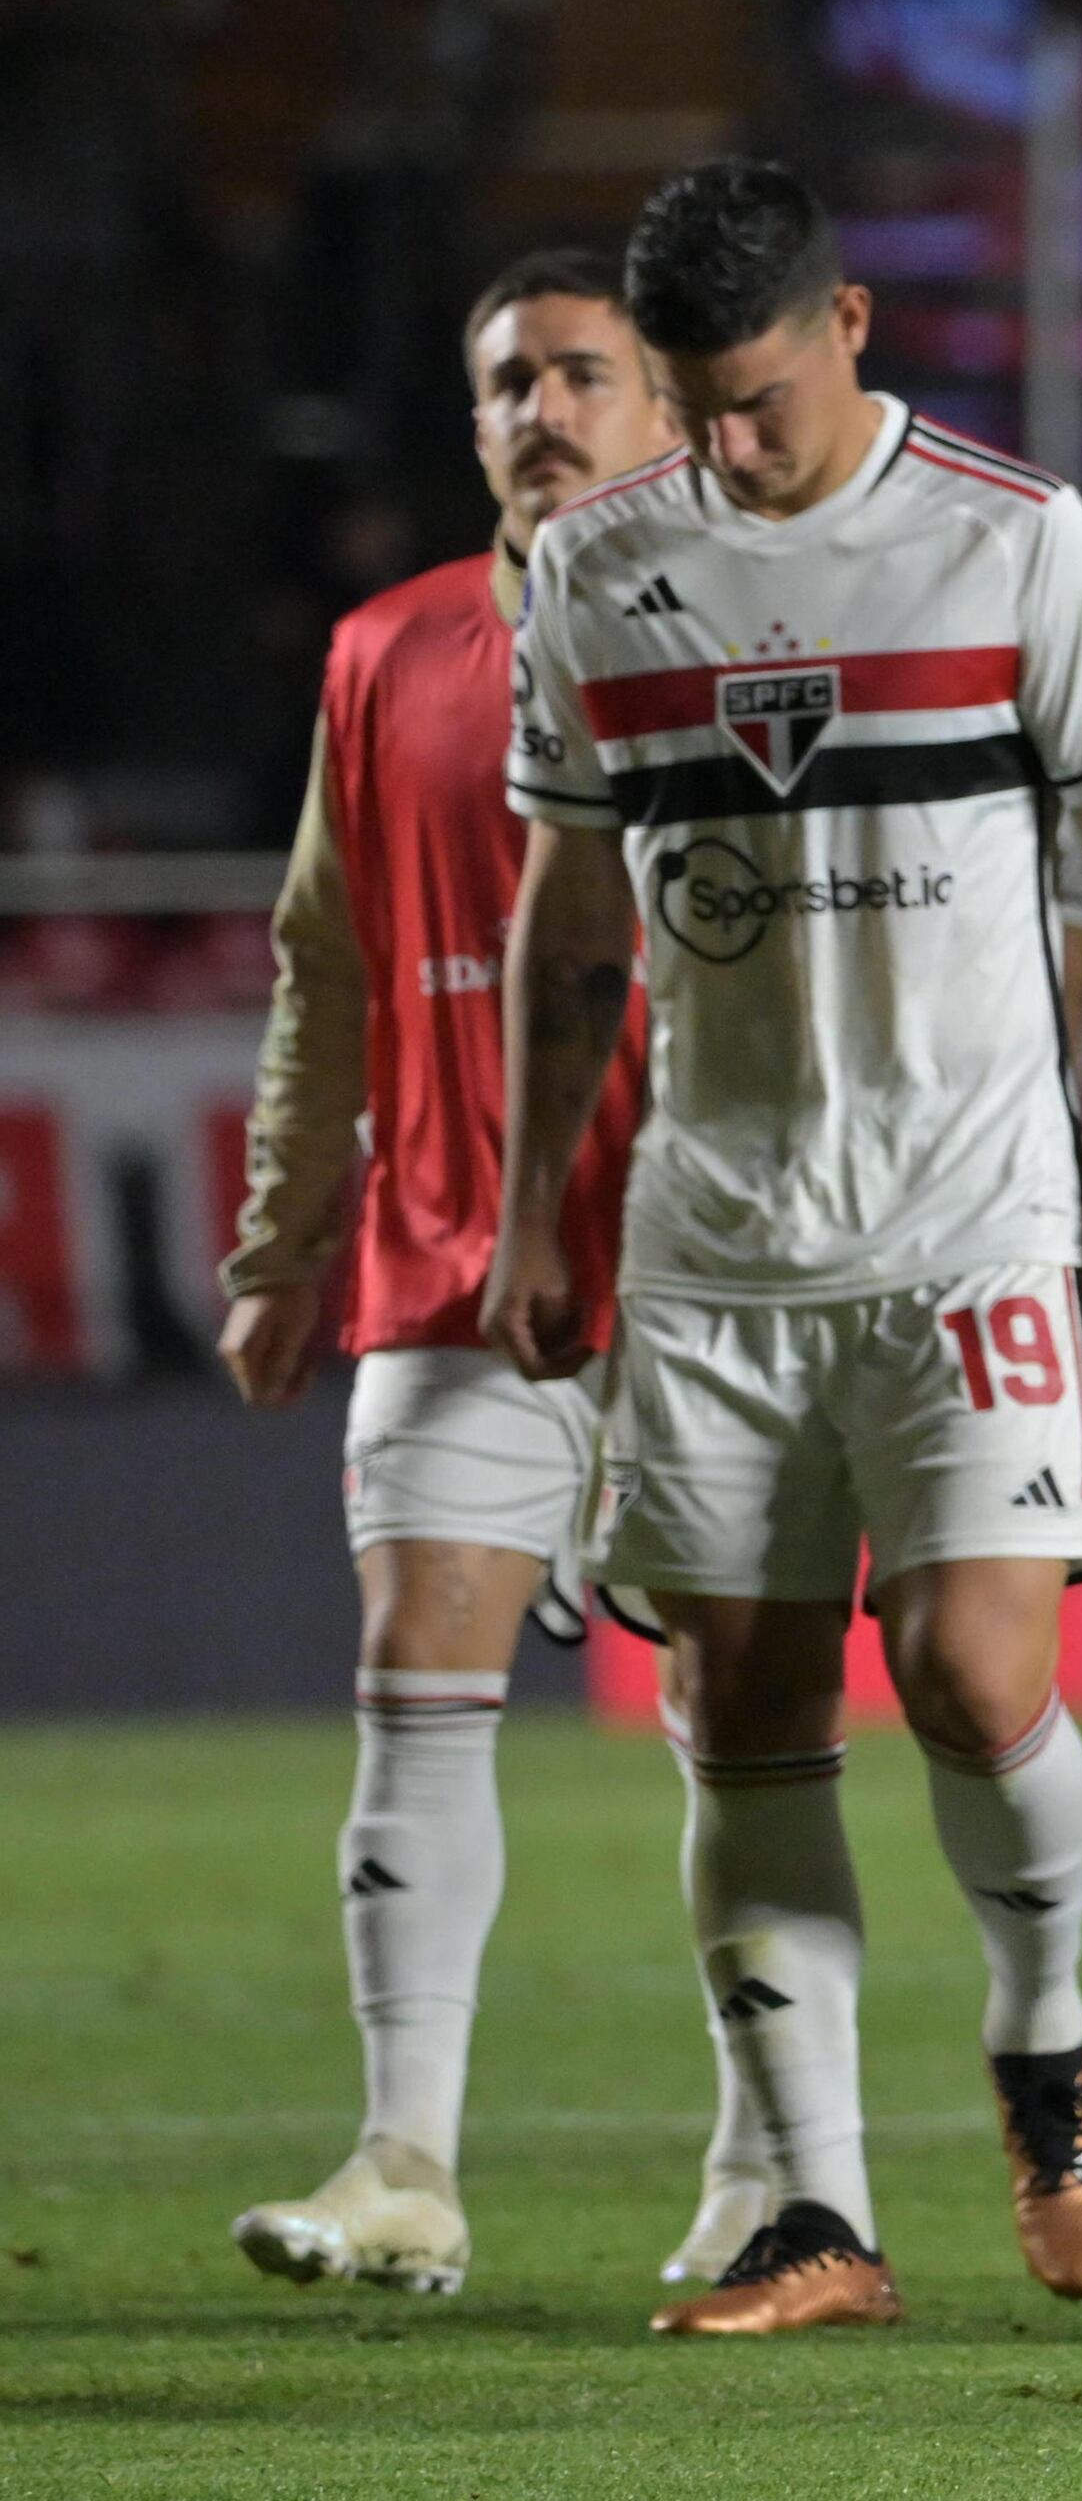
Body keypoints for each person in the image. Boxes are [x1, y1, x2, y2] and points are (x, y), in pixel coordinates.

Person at [485, 157, 1082, 2335]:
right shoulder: (602, 572)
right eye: (700, 403)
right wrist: (539, 1195)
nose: (735, 438)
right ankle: (816, 2207)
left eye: (767, 390)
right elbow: (565, 917)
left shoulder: (1013, 537)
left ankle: (1045, 2051)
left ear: (854, 327)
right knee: (738, 1698)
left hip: (973, 1213)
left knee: (979, 1673)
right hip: (715, 1238)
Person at [220, 253, 670, 2301]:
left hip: (716, 1268)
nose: (544, 408)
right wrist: (279, 1235)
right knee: (417, 1682)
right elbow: (324, 968)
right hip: (451, 1258)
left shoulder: (749, 632)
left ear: (666, 409)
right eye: (509, 381)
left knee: (761, 1726)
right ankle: (407, 2160)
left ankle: (786, 2168)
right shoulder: (384, 653)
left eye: (585, 372)